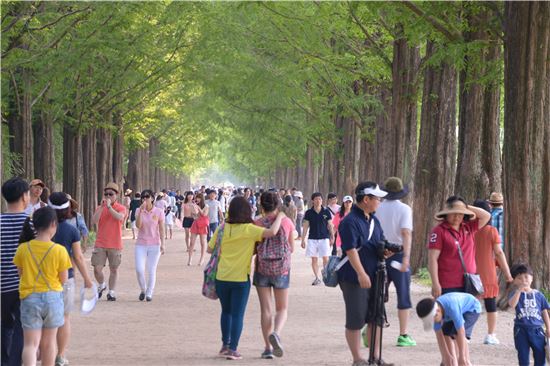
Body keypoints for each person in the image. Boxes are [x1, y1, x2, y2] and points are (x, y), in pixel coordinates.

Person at [207, 196, 286, 360]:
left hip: (222, 276)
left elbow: (210, 249)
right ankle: (233, 349)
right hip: (240, 279)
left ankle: (225, 345)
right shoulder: (249, 229)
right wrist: (280, 216)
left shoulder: (222, 228)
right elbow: (272, 232)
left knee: (226, 312)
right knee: (237, 315)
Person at [337, 182, 392, 366]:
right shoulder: (349, 222)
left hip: (375, 274)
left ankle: (375, 356)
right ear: (366, 199)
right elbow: (350, 249)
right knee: (356, 317)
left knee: (376, 317)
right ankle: (357, 358)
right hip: (354, 277)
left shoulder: (374, 221)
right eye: (377, 198)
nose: (379, 202)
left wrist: (386, 251)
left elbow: (379, 241)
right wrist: (361, 273)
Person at [13, 207, 72, 366]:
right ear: (53, 224)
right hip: (53, 298)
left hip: (29, 298)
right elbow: (64, 279)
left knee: (30, 345)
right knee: (49, 343)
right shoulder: (59, 250)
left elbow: (21, 274)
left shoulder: (23, 249)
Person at [49, 192, 94, 366]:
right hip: (65, 278)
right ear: (67, 209)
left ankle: (45, 352)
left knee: (45, 320)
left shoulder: (38, 227)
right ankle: (60, 355)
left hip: (42, 279)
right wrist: (87, 280)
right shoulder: (71, 230)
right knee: (64, 318)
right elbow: (79, 258)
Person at [253, 192, 295, 359]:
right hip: (281, 270)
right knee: (282, 308)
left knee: (266, 310)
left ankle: (267, 348)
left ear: (261, 206)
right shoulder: (286, 221)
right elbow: (291, 248)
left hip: (262, 269)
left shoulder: (257, 222)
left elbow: (254, 246)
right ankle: (276, 333)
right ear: (278, 205)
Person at [376, 177, 416, 347]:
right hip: (398, 255)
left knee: (376, 294)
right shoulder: (405, 209)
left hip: (379, 254)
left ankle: (370, 330)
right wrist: (406, 257)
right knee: (403, 295)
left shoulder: (376, 207)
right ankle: (403, 334)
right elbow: (406, 233)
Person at [427, 195, 491, 297]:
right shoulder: (438, 231)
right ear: (446, 213)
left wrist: (464, 206)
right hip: (448, 284)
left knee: (469, 313)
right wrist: (435, 283)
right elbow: (432, 259)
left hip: (469, 282)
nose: (457, 217)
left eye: (460, 213)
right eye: (453, 213)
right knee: (450, 312)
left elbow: (486, 216)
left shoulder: (469, 227)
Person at [471, 199, 513, 345]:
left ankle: (464, 333)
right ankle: (490, 335)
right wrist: (508, 274)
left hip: (469, 272)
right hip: (487, 271)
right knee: (490, 305)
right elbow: (499, 253)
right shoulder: (491, 231)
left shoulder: (467, 229)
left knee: (468, 302)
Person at [1, 177, 30, 366]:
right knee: (21, 328)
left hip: (1, 286)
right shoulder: (32, 224)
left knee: (3, 328)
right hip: (24, 285)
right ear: (24, 197)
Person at [416, 292, 482, 366]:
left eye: (433, 320)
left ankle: (466, 362)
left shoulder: (452, 307)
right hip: (450, 312)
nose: (433, 322)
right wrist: (446, 356)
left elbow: (461, 331)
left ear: (438, 311)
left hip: (472, 308)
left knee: (456, 333)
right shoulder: (435, 314)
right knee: (446, 333)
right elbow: (439, 336)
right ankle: (453, 362)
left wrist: (462, 357)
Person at [508, 264, 550, 366]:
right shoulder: (515, 294)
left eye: (526, 277)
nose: (523, 280)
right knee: (523, 356)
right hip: (520, 330)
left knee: (540, 355)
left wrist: (548, 327)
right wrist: (519, 291)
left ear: (532, 278)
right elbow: (512, 304)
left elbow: (544, 311)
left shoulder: (539, 295)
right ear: (514, 281)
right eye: (519, 278)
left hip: (537, 330)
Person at [91, 182, 127, 301]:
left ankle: (111, 292)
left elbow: (120, 218)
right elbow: (94, 220)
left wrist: (110, 207)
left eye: (111, 194)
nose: (108, 196)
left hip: (115, 244)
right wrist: (102, 207)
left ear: (116, 195)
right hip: (100, 242)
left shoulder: (121, 208)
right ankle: (102, 285)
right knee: (97, 269)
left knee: (114, 269)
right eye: (106, 194)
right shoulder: (100, 207)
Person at [135, 189, 165, 302]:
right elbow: (138, 226)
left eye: (147, 197)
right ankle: (143, 289)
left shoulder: (159, 211)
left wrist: (163, 244)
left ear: (152, 198)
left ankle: (149, 292)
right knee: (139, 269)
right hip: (141, 243)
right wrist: (141, 212)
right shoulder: (138, 210)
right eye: (143, 197)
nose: (145, 199)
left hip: (155, 244)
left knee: (151, 269)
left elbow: (161, 229)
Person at [301, 192, 334, 285]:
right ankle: (317, 278)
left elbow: (330, 225)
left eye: (320, 199)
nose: (318, 200)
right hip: (312, 238)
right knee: (314, 259)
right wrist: (303, 239)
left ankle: (326, 276)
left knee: (326, 258)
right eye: (316, 199)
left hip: (324, 238)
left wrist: (332, 236)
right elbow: (305, 226)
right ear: (312, 201)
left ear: (322, 200)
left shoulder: (326, 212)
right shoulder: (308, 213)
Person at [189, 193, 209, 266]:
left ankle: (202, 259)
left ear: (202, 199)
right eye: (197, 198)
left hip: (203, 225)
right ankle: (190, 259)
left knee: (202, 243)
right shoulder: (194, 205)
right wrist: (193, 211)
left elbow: (204, 214)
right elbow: (193, 215)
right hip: (195, 224)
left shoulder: (206, 206)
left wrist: (198, 207)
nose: (197, 199)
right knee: (191, 243)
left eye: (199, 198)